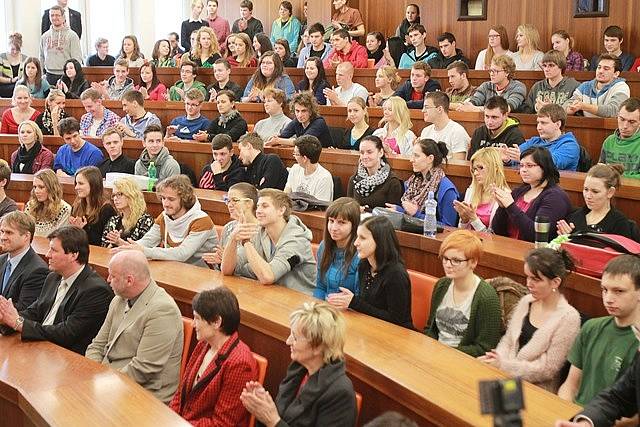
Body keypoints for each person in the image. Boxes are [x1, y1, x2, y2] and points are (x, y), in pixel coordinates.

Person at [85, 251, 182, 403]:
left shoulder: (163, 310)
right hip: (110, 382)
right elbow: (97, 345)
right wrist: (92, 374)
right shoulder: (118, 299)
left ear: (129, 280)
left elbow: (143, 369)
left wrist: (101, 383)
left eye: (113, 276)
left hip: (145, 395)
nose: (107, 280)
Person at [0, 225, 113, 354]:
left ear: (73, 255)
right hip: (42, 347)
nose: (48, 255)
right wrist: (6, 318)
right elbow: (35, 311)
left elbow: (67, 333)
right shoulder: (53, 277)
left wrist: (19, 324)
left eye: (53, 250)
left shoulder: (95, 290)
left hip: (67, 358)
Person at [479, 248, 580, 392]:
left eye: (535, 279)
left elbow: (547, 370)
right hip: (507, 377)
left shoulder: (569, 318)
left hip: (537, 389)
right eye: (527, 277)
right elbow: (508, 341)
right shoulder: (527, 301)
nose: (528, 284)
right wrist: (496, 358)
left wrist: (503, 365)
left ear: (555, 282)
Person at [240, 301, 356, 426]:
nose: (288, 341)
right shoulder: (298, 370)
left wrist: (273, 421)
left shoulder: (340, 394)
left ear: (318, 346)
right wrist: (263, 407)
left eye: (295, 337)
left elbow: (276, 421)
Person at [556, 255, 640, 408]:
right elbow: (570, 386)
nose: (608, 298)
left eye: (619, 291)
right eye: (604, 290)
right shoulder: (591, 327)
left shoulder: (637, 341)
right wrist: (566, 412)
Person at [170, 287, 258, 425]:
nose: (193, 324)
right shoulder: (204, 344)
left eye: (197, 318)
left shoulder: (240, 363)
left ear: (217, 322)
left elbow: (222, 424)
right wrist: (169, 418)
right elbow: (181, 394)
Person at [221, 188, 316, 295]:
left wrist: (246, 241)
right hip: (272, 295)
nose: (258, 211)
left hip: (301, 301)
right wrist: (233, 238)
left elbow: (267, 277)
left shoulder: (297, 241)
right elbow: (227, 270)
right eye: (258, 206)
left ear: (281, 210)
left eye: (265, 206)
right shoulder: (259, 232)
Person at [327, 214, 413, 329]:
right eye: (357, 237)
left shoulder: (396, 274)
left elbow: (397, 320)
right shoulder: (364, 264)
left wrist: (354, 303)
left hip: (397, 335)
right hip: (370, 327)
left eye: (362, 238)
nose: (355, 243)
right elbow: (367, 307)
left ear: (379, 241)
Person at [113, 175, 218, 267]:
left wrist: (143, 251)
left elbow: (182, 254)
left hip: (203, 273)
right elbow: (148, 241)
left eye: (171, 199)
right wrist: (129, 246)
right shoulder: (164, 216)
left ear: (185, 199)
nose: (165, 204)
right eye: (163, 198)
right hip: (175, 270)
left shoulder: (201, 220)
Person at [426, 230, 502, 356]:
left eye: (456, 260)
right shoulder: (442, 285)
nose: (448, 265)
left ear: (473, 262)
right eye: (445, 258)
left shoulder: (486, 297)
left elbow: (485, 348)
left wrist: (446, 353)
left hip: (463, 360)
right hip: (436, 354)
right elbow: (430, 328)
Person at [492, 147, 572, 242]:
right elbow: (497, 230)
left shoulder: (555, 197)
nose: (523, 170)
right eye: (521, 165)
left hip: (535, 253)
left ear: (544, 167)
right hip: (509, 247)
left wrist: (510, 206)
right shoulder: (519, 191)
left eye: (529, 165)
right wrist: (502, 207)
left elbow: (536, 235)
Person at [558, 164, 640, 241]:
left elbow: (622, 255)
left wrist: (574, 239)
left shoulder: (619, 223)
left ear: (610, 192)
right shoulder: (574, 217)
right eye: (586, 189)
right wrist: (563, 240)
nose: (588, 196)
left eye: (595, 191)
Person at [390, 138, 459, 226]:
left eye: (416, 156)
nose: (411, 160)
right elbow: (409, 212)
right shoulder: (412, 182)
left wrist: (416, 214)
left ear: (430, 158)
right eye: (412, 155)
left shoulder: (447, 189)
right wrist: (398, 210)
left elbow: (448, 227)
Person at [0, 212, 49, 330]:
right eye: (1, 231)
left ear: (26, 236)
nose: (2, 237)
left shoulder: (38, 270)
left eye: (9, 232)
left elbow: (23, 310)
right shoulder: (1, 260)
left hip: (11, 332)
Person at [508, 104, 580, 171]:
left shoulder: (570, 145)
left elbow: (551, 164)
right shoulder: (534, 141)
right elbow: (516, 155)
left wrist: (522, 158)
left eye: (543, 123)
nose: (538, 127)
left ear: (558, 124)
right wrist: (507, 157)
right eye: (538, 123)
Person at [314, 197, 360, 300]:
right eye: (331, 221)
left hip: (349, 310)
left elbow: (359, 297)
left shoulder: (359, 254)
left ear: (354, 225)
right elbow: (320, 287)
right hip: (325, 307)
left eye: (341, 222)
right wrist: (318, 305)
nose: (334, 228)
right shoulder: (324, 246)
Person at [455, 148, 510, 232]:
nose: (476, 173)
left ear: (495, 167)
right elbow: (462, 231)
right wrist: (464, 220)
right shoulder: (471, 191)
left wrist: (474, 219)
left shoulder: (505, 195)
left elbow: (495, 238)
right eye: (474, 169)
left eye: (480, 168)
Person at [347, 135, 403, 210]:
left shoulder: (392, 182)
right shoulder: (354, 179)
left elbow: (392, 214)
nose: (365, 156)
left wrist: (366, 210)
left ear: (380, 152)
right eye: (362, 153)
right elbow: (348, 209)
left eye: (369, 152)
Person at [566, 54, 630, 118]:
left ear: (616, 74)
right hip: (586, 126)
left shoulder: (621, 87)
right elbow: (568, 104)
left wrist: (583, 106)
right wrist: (571, 108)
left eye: (606, 69)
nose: (600, 71)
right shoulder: (585, 86)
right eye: (599, 67)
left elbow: (613, 111)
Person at [69, 166, 117, 246]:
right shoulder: (77, 205)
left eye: (81, 183)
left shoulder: (106, 209)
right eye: (76, 183)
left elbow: (104, 242)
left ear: (93, 184)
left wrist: (81, 231)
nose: (76, 187)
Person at [461, 55, 526, 113]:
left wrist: (478, 109)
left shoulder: (518, 87)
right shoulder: (486, 86)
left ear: (507, 73)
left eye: (496, 71)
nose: (492, 74)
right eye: (491, 71)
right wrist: (469, 105)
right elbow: (475, 100)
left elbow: (506, 108)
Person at [101, 178, 154, 248]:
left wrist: (119, 242)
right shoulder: (113, 220)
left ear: (131, 195)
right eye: (114, 195)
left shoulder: (145, 220)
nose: (115, 198)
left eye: (119, 194)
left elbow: (144, 249)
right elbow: (103, 248)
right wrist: (113, 243)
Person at [269, 91, 333, 148]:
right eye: (297, 111)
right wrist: (275, 139)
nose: (300, 115)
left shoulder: (319, 122)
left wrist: (278, 140)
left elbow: (303, 142)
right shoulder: (296, 121)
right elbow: (282, 136)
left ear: (311, 111)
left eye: (304, 111)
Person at [419, 91, 469, 160]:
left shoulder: (457, 131)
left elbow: (458, 165)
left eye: (426, 107)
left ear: (439, 109)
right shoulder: (426, 131)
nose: (423, 111)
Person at [39, 5, 82, 85]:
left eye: (57, 15)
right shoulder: (44, 36)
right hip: (49, 75)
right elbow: (41, 57)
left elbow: (77, 58)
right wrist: (41, 74)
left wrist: (74, 76)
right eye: (52, 15)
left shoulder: (72, 35)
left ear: (63, 17)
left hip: (66, 75)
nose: (55, 18)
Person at [599, 97, 640, 179]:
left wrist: (615, 176)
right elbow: (600, 168)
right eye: (622, 119)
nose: (625, 126)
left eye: (632, 122)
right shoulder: (609, 141)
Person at [24, 169, 72, 237]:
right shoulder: (30, 205)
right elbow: (25, 231)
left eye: (41, 187)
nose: (36, 191)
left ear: (52, 188)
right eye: (35, 187)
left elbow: (60, 238)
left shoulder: (65, 210)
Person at [284, 135, 334, 201]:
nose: (294, 156)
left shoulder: (324, 178)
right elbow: (286, 195)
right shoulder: (294, 169)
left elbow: (321, 207)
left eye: (296, 154)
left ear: (305, 158)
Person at [0, 33, 27, 99]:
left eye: (17, 49)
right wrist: (11, 80)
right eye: (12, 49)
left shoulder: (25, 59)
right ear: (8, 46)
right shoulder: (1, 58)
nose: (15, 52)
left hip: (20, 86)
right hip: (4, 86)